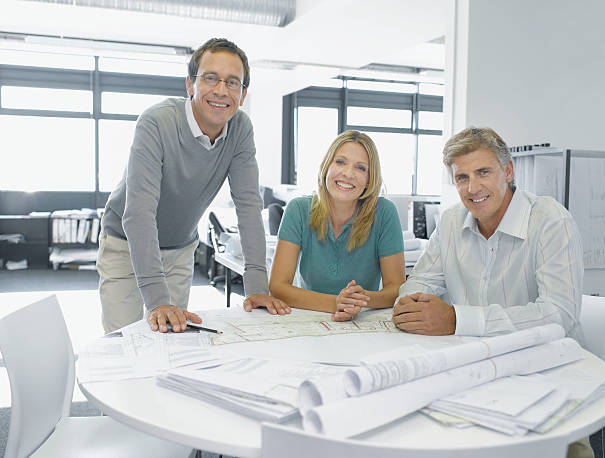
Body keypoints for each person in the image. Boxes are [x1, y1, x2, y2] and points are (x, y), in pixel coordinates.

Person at [393, 127, 590, 457]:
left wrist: (457, 319)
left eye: (483, 172)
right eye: (461, 178)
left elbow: (559, 314)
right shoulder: (453, 221)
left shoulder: (550, 221)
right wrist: (413, 304)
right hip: (471, 374)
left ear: (508, 171)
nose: (472, 188)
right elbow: (418, 283)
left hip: (545, 375)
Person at [97, 38, 288, 334]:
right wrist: (158, 300)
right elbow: (139, 214)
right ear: (190, 84)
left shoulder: (240, 129)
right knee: (124, 341)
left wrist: (256, 288)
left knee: (171, 340)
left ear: (243, 93)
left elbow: (249, 206)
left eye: (232, 82)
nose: (221, 90)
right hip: (125, 243)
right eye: (210, 78)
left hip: (180, 249)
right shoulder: (157, 122)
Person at [247, 130, 405, 320]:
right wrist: (336, 304)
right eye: (340, 162)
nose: (348, 173)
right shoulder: (298, 209)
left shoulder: (385, 212)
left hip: (361, 321)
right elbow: (278, 286)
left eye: (361, 168)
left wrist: (356, 302)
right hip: (308, 318)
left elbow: (396, 289)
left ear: (369, 180)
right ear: (326, 166)